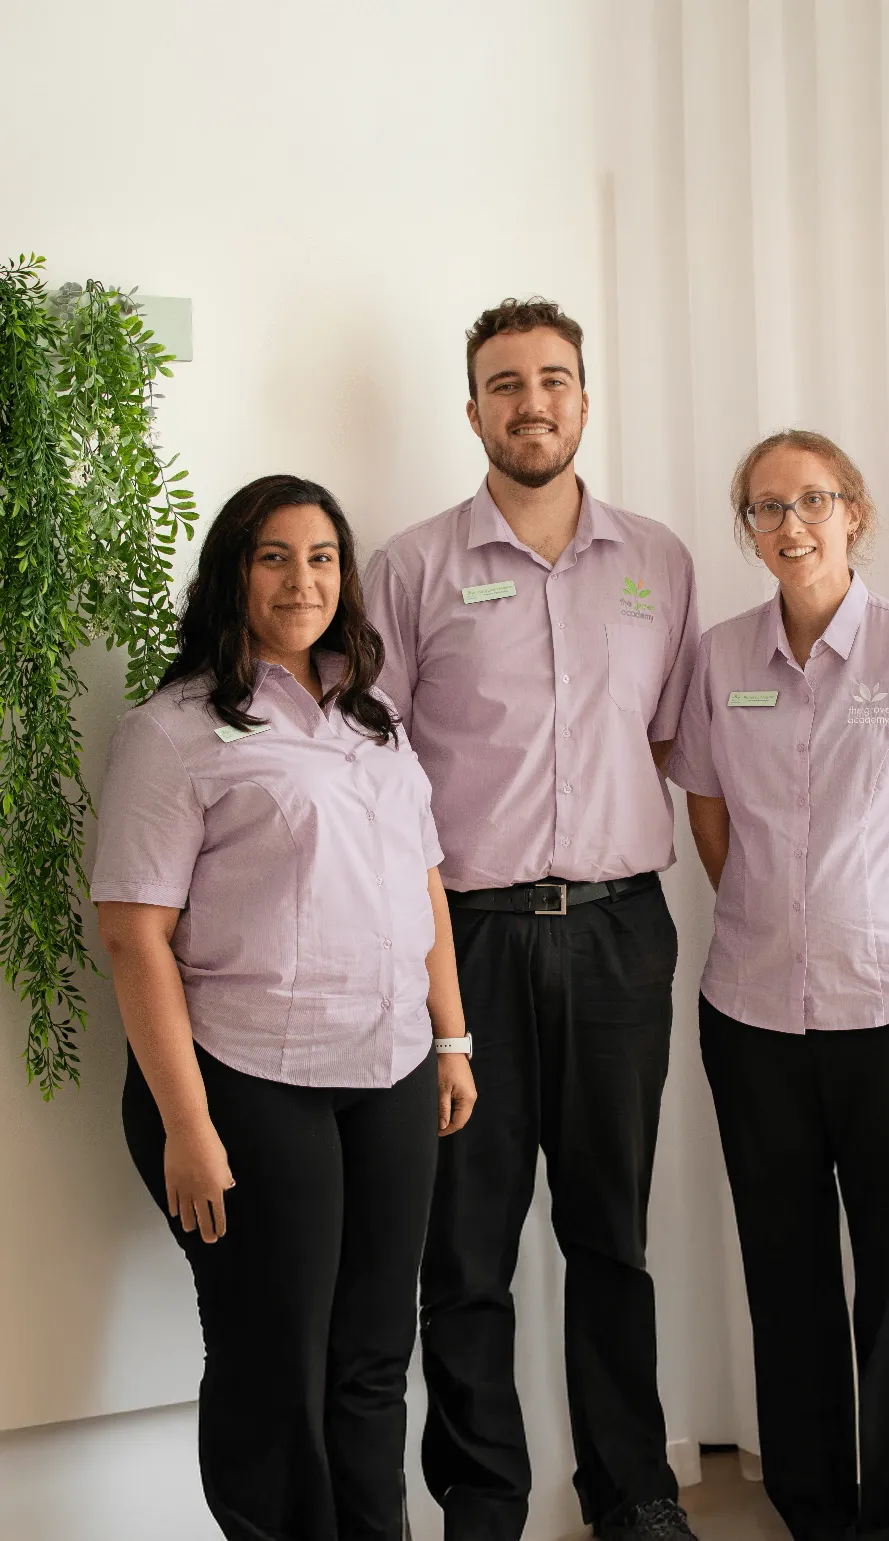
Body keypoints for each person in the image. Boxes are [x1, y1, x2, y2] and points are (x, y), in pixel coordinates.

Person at [361, 299, 701, 1541]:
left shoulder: (658, 560)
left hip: (621, 933)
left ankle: (633, 1492)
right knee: (463, 1248)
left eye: (553, 379)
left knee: (610, 1229)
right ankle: (483, 1505)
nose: (531, 403)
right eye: (504, 384)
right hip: (470, 943)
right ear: (472, 412)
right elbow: (370, 765)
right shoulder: (409, 568)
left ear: (584, 400)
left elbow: (675, 741)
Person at [91, 473, 477, 1541]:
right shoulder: (174, 729)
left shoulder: (374, 714)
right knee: (273, 1359)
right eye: (273, 555)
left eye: (320, 556)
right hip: (249, 1079)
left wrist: (451, 1035)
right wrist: (187, 1123)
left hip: (392, 1068)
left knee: (369, 1356)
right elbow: (132, 933)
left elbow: (426, 882)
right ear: (233, 572)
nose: (301, 578)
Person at [668, 429, 889, 1541]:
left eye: (812, 500)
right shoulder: (720, 659)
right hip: (754, 1014)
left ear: (853, 512)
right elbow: (711, 824)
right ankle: (813, 1507)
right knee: (786, 1271)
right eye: (766, 507)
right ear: (750, 529)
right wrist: (791, 927)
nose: (791, 524)